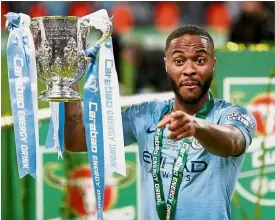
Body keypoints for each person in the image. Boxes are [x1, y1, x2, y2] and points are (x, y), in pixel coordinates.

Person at [65, 25, 256, 220]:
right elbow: (76, 140)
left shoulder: (231, 115)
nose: (189, 70)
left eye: (199, 60)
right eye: (179, 61)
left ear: (213, 64)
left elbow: (232, 142)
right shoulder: (144, 115)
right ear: (166, 65)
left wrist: (197, 127)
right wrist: (67, 79)